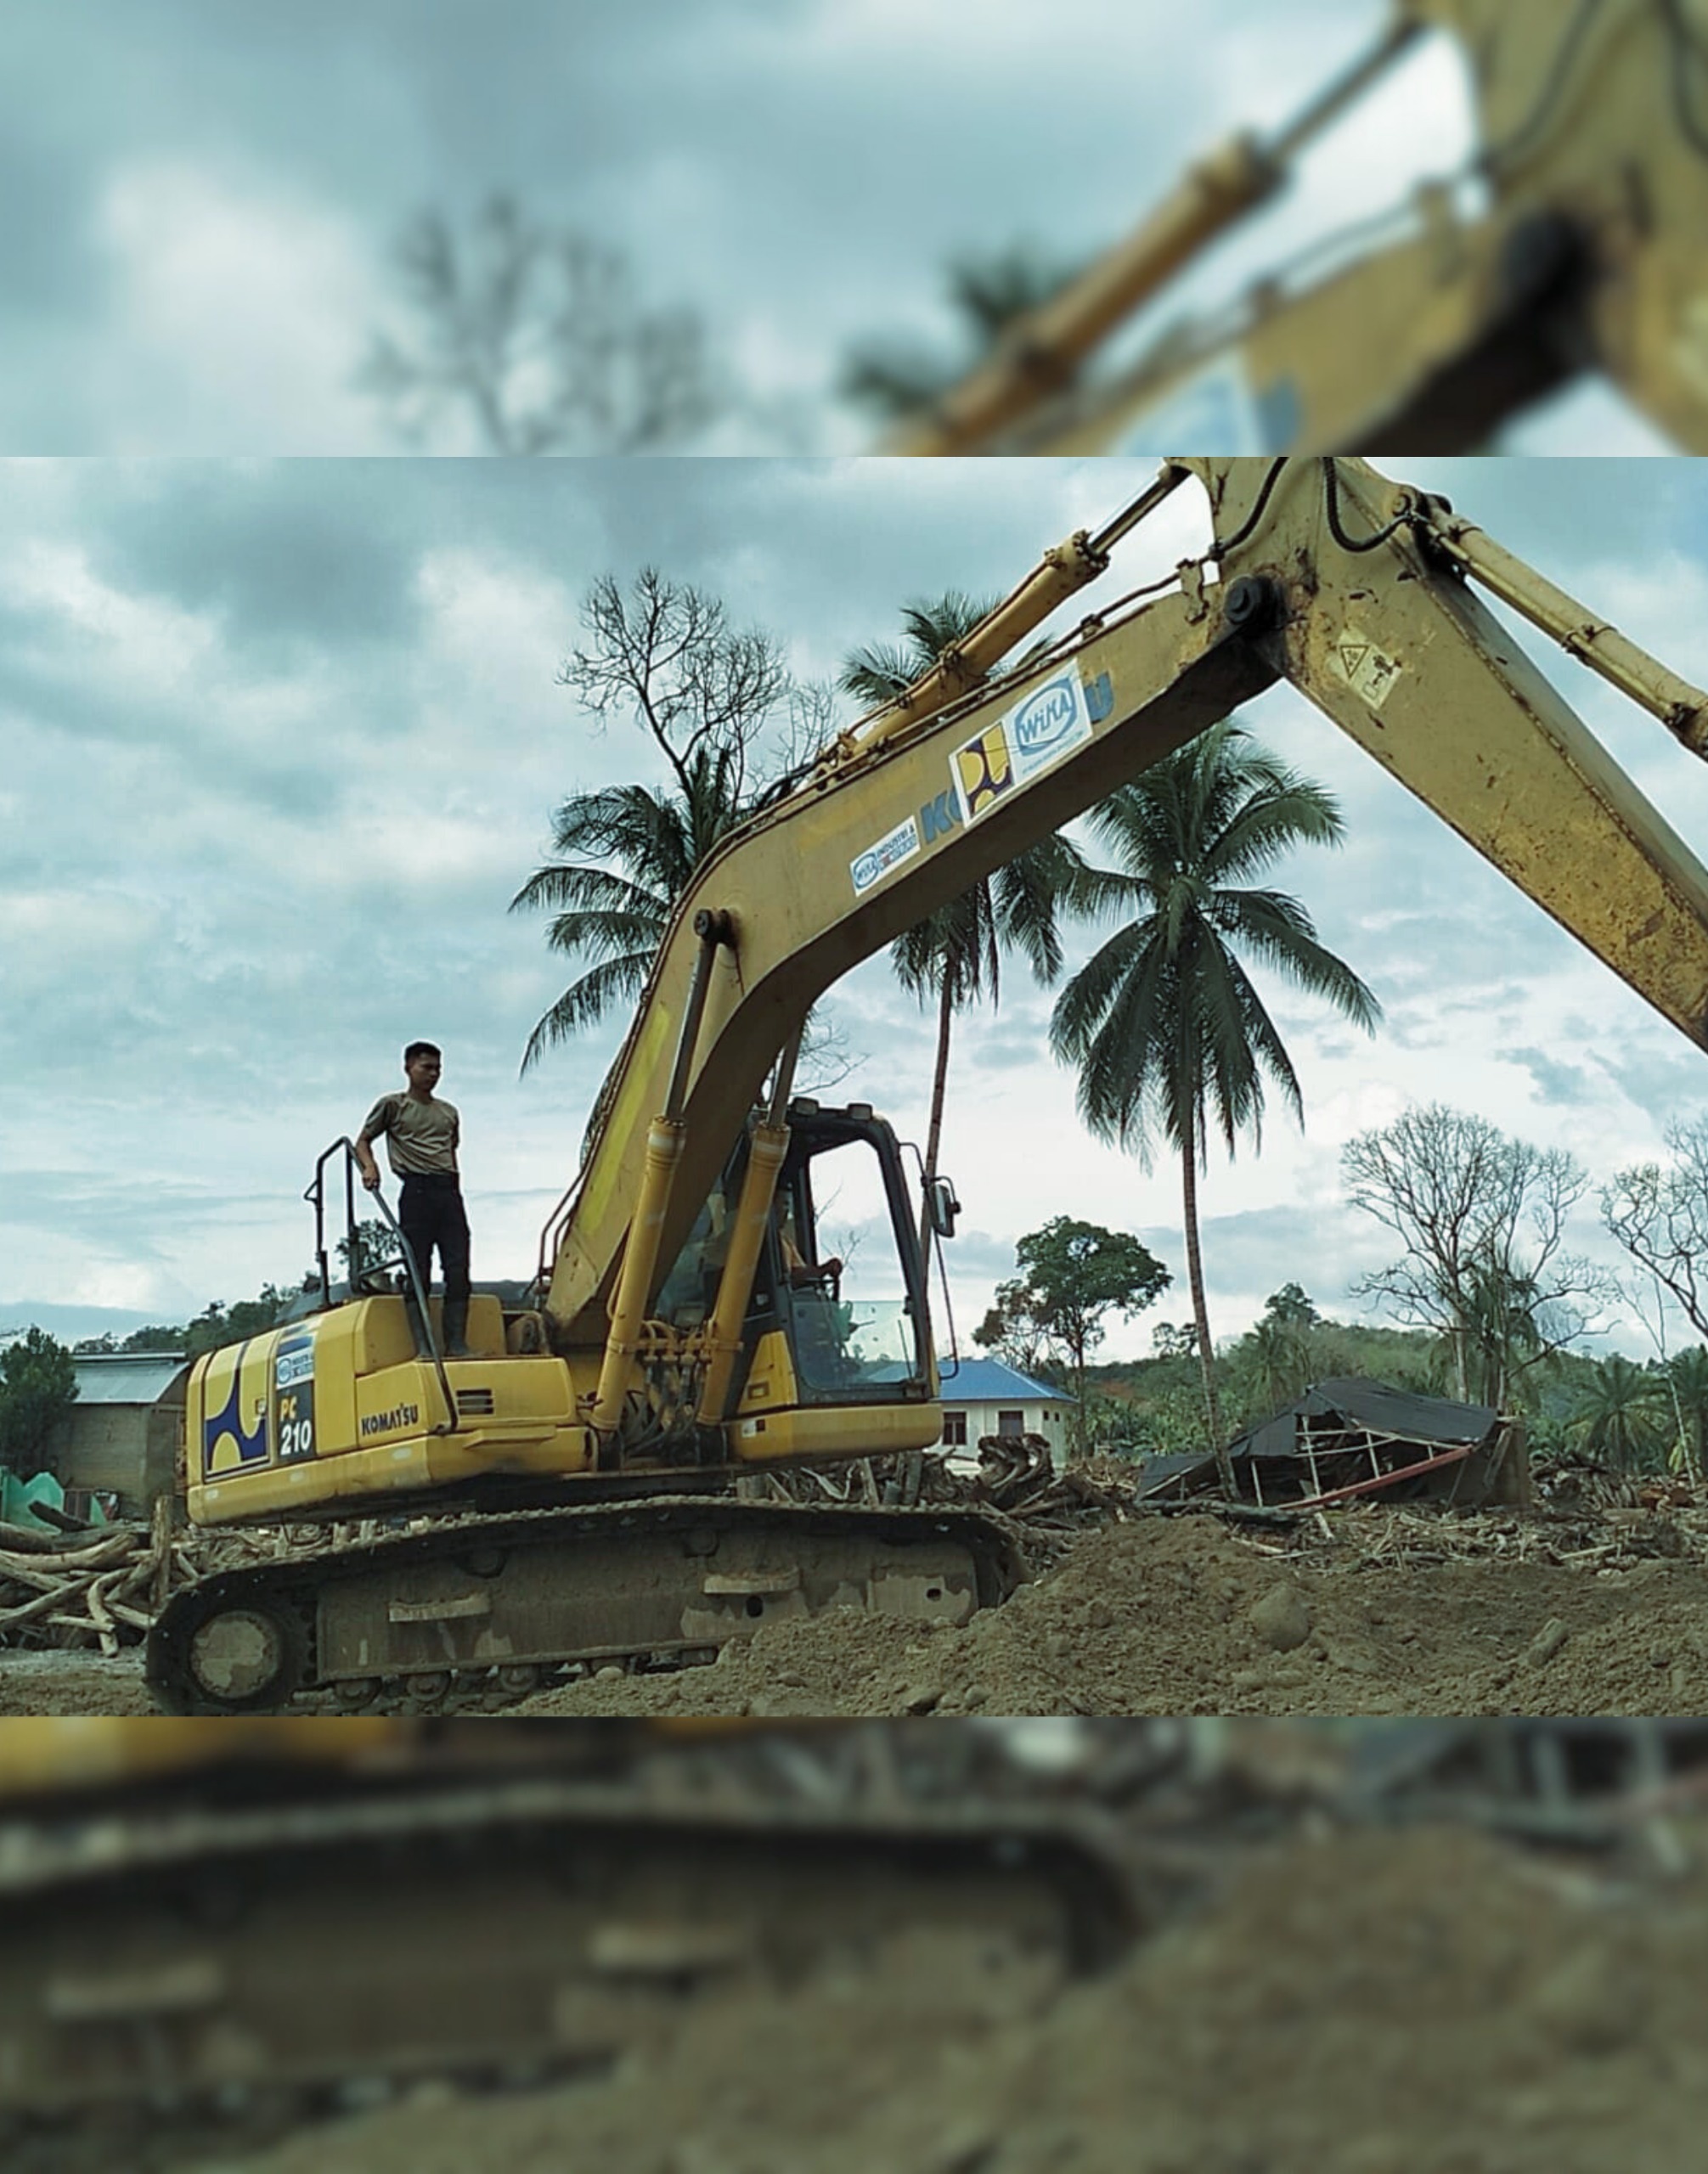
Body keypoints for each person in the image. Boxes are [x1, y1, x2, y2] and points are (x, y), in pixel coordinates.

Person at [352, 1041, 473, 1357]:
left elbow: (451, 1151)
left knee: (458, 1266)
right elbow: (362, 1141)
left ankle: (456, 1343)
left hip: (448, 1191)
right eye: (426, 1067)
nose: (433, 1074)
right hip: (416, 1191)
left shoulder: (448, 1112)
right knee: (418, 1268)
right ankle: (425, 1346)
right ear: (408, 1068)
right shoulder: (393, 1105)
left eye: (438, 1069)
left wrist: (454, 1189)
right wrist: (370, 1166)